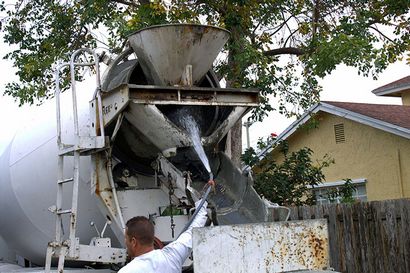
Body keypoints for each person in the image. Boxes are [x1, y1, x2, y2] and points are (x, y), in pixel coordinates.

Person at [118, 199, 208, 273]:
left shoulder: (127, 271)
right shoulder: (172, 255)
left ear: (133, 242)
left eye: (126, 238)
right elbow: (192, 231)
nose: (125, 242)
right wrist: (202, 201)